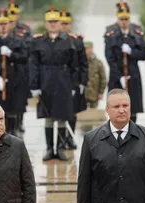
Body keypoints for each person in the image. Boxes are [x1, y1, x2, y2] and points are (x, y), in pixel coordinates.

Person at [29, 7, 77, 161]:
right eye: (50, 22)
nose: (53, 24)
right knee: (48, 117)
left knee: (62, 116)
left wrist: (75, 85)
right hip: (46, 81)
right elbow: (34, 64)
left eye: (55, 21)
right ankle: (50, 149)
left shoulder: (68, 41)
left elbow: (74, 65)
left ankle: (61, 148)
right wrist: (34, 85)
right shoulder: (38, 41)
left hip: (63, 81)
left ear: (59, 23)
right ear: (46, 24)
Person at [0, 9, 28, 136]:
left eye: (5, 24)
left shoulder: (18, 40)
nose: (3, 27)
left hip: (14, 78)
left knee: (13, 110)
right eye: (0, 24)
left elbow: (24, 58)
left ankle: (12, 134)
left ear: (10, 24)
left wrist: (11, 54)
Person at [104, 1, 145, 124]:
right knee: (115, 107)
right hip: (116, 75)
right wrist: (120, 76)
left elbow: (144, 55)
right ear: (118, 18)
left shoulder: (137, 32)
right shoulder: (110, 32)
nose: (124, 21)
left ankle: (132, 133)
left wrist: (131, 52)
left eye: (126, 19)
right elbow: (109, 57)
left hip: (133, 74)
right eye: (121, 19)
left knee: (132, 108)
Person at [60, 8, 88, 150]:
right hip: (59, 82)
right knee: (59, 112)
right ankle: (60, 139)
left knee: (73, 112)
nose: (64, 26)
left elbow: (83, 63)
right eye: (62, 23)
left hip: (73, 80)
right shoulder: (55, 41)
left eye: (66, 23)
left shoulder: (77, 41)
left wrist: (83, 82)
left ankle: (69, 138)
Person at [7, 1, 32, 133]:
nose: (14, 17)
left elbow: (29, 46)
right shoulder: (5, 28)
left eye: (15, 14)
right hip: (10, 67)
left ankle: (20, 120)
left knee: (21, 97)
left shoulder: (24, 29)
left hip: (23, 66)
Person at [84, 41, 107, 109]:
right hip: (82, 95)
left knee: (94, 114)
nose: (86, 50)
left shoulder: (98, 63)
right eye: (85, 48)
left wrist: (101, 92)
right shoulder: (80, 62)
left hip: (94, 94)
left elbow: (103, 78)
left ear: (91, 49)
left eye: (87, 48)